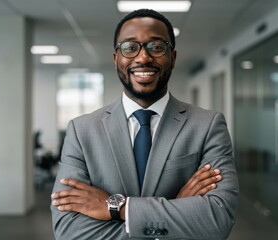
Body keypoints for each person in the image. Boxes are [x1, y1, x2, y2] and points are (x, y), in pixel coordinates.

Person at [51, 9, 239, 240]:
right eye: (130, 47)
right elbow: (69, 231)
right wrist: (176, 211)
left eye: (156, 47)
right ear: (116, 58)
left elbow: (216, 221)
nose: (143, 58)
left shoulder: (208, 125)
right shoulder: (81, 131)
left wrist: (117, 208)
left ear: (173, 57)